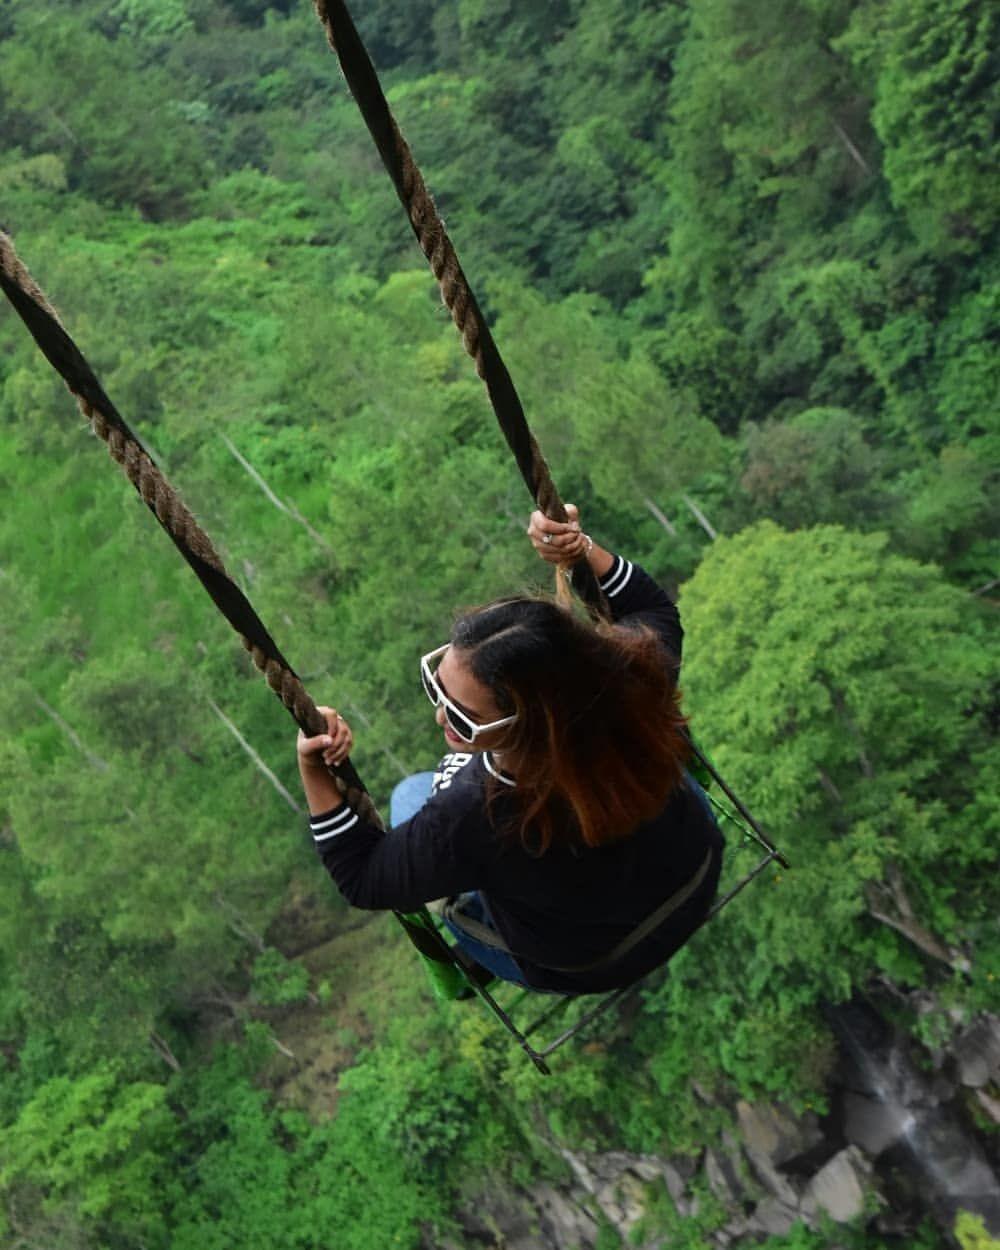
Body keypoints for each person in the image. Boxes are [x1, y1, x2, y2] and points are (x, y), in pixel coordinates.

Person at [296, 507, 724, 994]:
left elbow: (364, 876)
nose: (440, 717)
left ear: (531, 723)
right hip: (696, 875)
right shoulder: (627, 683)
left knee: (411, 796)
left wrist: (313, 769)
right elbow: (654, 613)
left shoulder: (475, 817)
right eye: (436, 689)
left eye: (462, 717)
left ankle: (471, 959)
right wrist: (581, 551)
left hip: (599, 961)